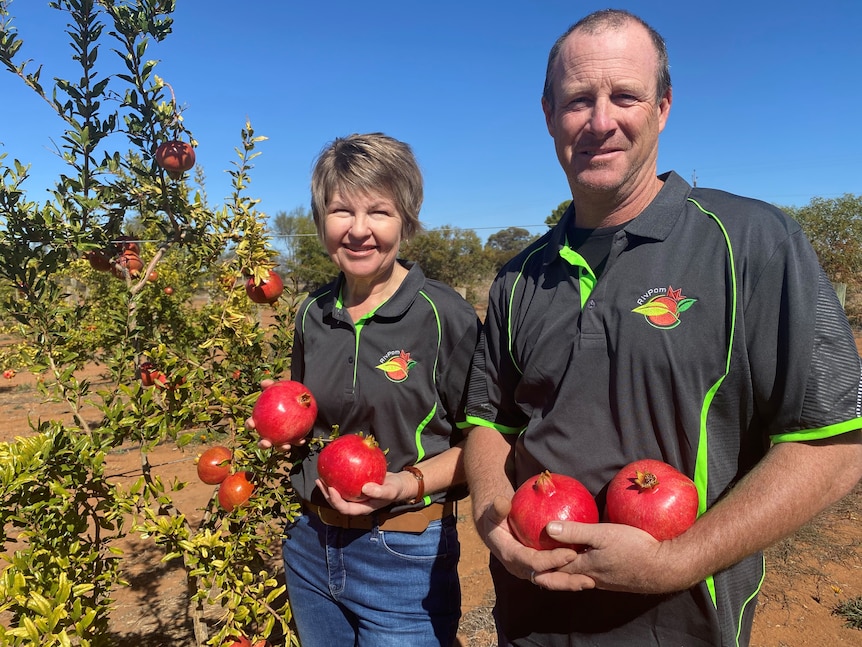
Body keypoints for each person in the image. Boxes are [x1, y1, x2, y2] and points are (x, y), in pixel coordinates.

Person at [463, 9, 862, 647]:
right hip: (530, 620)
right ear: (547, 115)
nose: (600, 121)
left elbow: (834, 444)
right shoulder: (519, 279)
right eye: (577, 100)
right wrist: (494, 521)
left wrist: (677, 560)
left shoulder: (752, 244)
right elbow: (489, 423)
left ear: (663, 108)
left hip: (679, 625)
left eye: (626, 95)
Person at [249, 132, 481, 647]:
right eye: (340, 211)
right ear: (320, 221)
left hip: (404, 555)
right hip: (311, 543)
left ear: (406, 220)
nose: (358, 230)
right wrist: (283, 424)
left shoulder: (443, 317)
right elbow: (311, 420)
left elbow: (486, 444)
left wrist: (407, 483)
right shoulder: (312, 312)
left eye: (378, 211)